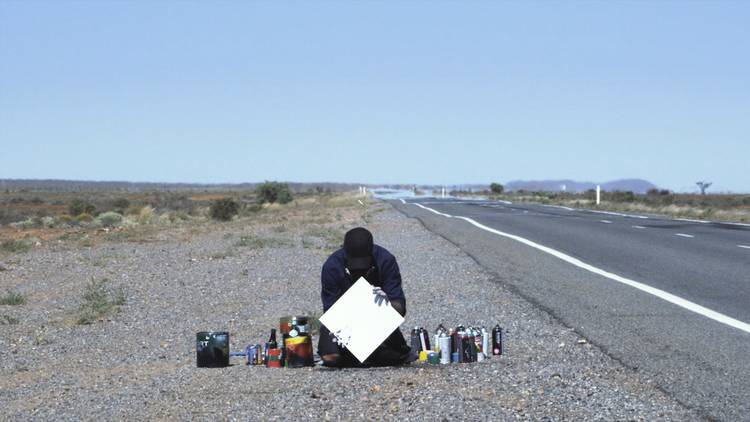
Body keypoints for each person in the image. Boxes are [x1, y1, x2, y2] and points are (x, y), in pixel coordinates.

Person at [318, 227, 413, 367]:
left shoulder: (386, 260)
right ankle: (359, 355)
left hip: (378, 321)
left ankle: (366, 355)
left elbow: (400, 308)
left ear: (372, 252)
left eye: (363, 263)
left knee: (397, 357)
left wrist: (387, 304)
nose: (359, 269)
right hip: (345, 321)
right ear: (345, 252)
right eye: (354, 264)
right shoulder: (332, 266)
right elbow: (330, 311)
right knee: (331, 358)